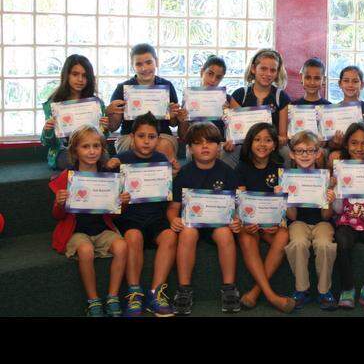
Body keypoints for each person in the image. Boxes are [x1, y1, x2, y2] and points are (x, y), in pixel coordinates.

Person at [47, 125, 127, 317]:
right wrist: (59, 203)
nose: (92, 151)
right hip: (76, 232)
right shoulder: (67, 177)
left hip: (101, 229)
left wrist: (122, 203)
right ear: (75, 151)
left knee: (122, 246)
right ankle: (93, 300)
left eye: (96, 146)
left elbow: (114, 215)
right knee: (85, 249)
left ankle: (113, 296)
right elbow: (58, 216)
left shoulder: (108, 177)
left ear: (102, 149)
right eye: (85, 147)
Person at [105, 112, 179, 317]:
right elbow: (108, 196)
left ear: (158, 138)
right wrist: (119, 192)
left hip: (156, 217)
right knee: (133, 236)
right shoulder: (120, 160)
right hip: (130, 218)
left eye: (152, 136)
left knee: (170, 236)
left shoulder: (162, 160)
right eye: (141, 136)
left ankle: (156, 292)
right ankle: (134, 292)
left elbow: (169, 191)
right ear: (132, 137)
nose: (146, 141)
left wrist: (173, 175)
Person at [167, 122, 244, 315]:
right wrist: (172, 219)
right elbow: (174, 207)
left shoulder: (227, 171)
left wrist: (236, 219)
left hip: (218, 224)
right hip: (191, 223)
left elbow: (235, 205)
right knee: (187, 233)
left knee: (225, 234)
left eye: (210, 142)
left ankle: (229, 287)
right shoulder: (184, 173)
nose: (205, 146)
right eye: (198, 143)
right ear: (190, 149)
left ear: (219, 146)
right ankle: (184, 289)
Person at [233, 122, 295, 313]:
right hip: (249, 224)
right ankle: (271, 296)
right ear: (249, 143)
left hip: (272, 225)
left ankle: (254, 293)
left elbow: (284, 204)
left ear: (275, 145)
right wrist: (246, 223)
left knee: (284, 234)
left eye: (268, 140)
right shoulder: (240, 169)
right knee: (245, 235)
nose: (262, 144)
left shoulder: (280, 169)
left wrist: (277, 223)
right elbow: (240, 205)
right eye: (257, 139)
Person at [329, 122, 364, 311]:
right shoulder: (340, 169)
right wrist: (334, 190)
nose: (359, 148)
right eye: (354, 143)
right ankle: (347, 288)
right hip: (347, 222)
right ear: (346, 144)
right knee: (342, 241)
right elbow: (337, 210)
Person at [283, 130, 338, 311]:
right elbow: (292, 217)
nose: (305, 155)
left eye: (310, 151)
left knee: (324, 245)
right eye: (299, 151)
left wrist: (328, 201)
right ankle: (302, 289)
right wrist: (285, 199)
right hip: (298, 221)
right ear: (291, 153)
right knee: (298, 243)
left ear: (318, 153)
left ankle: (324, 291)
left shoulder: (325, 177)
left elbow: (327, 216)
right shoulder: (287, 177)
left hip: (322, 222)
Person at [108, 43, 181, 166]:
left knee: (162, 145)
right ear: (132, 66)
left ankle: (163, 183)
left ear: (156, 62)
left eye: (148, 62)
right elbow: (113, 127)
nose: (144, 68)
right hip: (129, 135)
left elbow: (173, 124)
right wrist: (110, 112)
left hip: (162, 134)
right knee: (136, 144)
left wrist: (173, 115)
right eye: (139, 64)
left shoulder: (167, 86)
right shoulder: (122, 88)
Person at [39, 54, 113, 170]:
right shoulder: (54, 104)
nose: (80, 79)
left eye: (84, 75)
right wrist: (48, 130)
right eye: (75, 74)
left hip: (91, 148)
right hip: (64, 150)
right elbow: (49, 143)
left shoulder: (96, 104)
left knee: (104, 158)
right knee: (73, 161)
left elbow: (102, 139)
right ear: (66, 75)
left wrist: (104, 128)